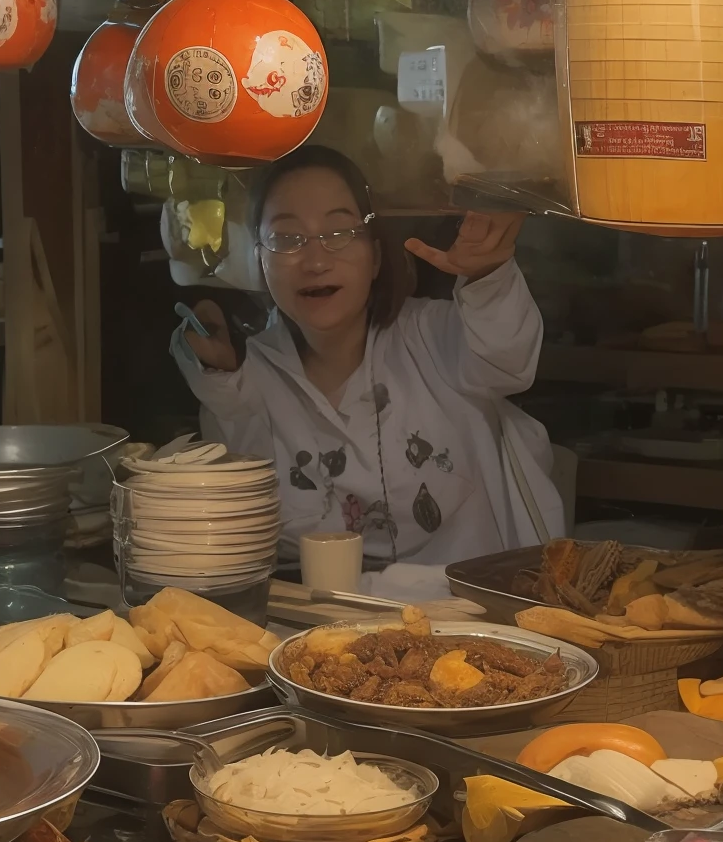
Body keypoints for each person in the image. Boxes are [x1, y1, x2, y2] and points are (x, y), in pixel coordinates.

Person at [170, 144, 562, 578]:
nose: (316, 261)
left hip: (472, 616)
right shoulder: (249, 379)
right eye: (286, 239)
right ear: (260, 261)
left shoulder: (434, 337)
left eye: (338, 233)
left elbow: (509, 359)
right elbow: (246, 523)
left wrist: (488, 275)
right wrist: (219, 378)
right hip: (325, 629)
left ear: (375, 256)